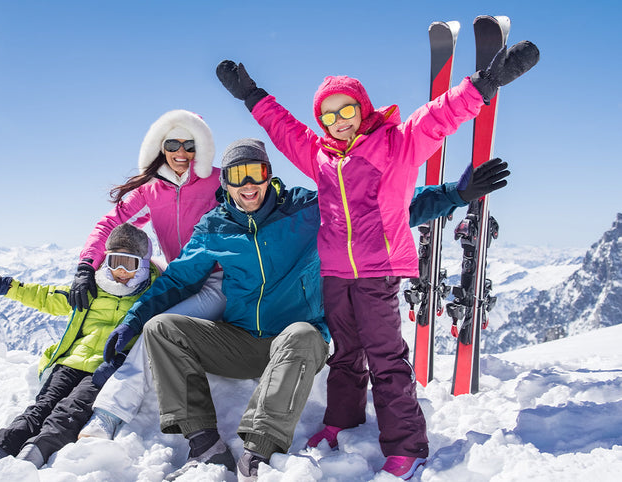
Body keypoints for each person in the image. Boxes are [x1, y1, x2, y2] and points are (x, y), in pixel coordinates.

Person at [216, 39, 538, 479]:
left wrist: (485, 83)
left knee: (386, 358)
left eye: (345, 110)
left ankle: (407, 443)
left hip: (379, 271)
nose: (337, 121)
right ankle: (341, 420)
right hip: (335, 271)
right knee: (345, 355)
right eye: (328, 115)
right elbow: (284, 129)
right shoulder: (320, 156)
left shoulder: (397, 144)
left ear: (362, 108)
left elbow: (440, 116)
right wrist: (252, 95)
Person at [102, 138, 328, 480]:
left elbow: (371, 207)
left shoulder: (304, 208)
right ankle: (204, 444)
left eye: (256, 172)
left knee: (303, 334)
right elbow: (178, 279)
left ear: (269, 175)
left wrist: (440, 198)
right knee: (161, 329)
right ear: (226, 183)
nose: (248, 184)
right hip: (240, 341)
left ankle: (258, 453)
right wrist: (134, 321)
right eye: (237, 176)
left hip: (294, 344)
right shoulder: (216, 226)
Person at [70, 109, 229, 440]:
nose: (182, 153)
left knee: (155, 330)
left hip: (217, 280)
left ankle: (109, 414)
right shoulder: (152, 190)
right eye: (173, 144)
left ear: (202, 147)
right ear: (161, 146)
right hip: (179, 279)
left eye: (190, 144)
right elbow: (111, 223)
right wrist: (87, 264)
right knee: (136, 302)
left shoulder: (218, 182)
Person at [0, 223, 157, 469]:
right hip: (70, 362)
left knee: (70, 410)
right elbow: (46, 297)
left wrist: (122, 358)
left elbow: (152, 335)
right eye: (115, 261)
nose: (121, 271)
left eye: (130, 263)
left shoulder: (151, 296)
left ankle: (31, 458)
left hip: (104, 368)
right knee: (41, 407)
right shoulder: (92, 288)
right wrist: (4, 286)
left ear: (144, 264)